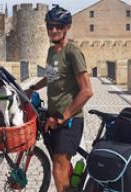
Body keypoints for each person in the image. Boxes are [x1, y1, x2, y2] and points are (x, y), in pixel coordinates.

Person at [27, 5, 93, 192]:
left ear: (67, 27)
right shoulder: (52, 51)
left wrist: (64, 116)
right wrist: (32, 88)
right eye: (50, 26)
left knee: (58, 166)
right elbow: (50, 77)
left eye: (58, 26)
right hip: (53, 117)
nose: (53, 30)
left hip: (69, 120)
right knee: (61, 165)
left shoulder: (72, 52)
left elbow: (87, 91)